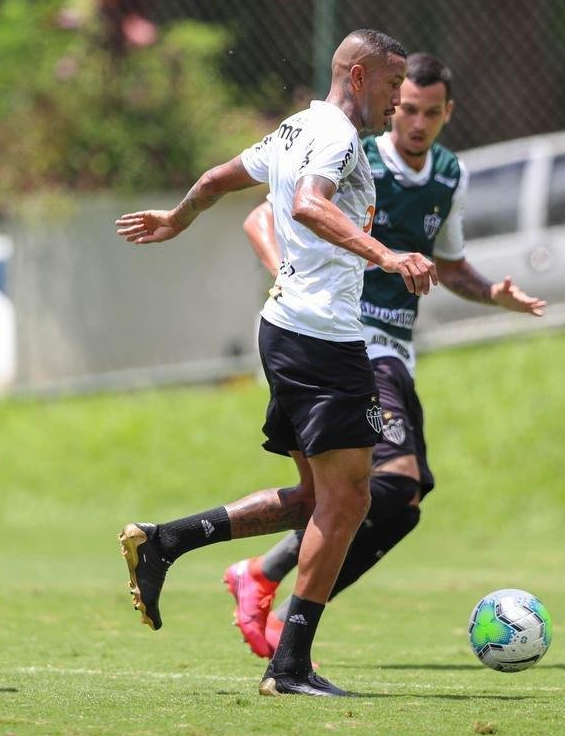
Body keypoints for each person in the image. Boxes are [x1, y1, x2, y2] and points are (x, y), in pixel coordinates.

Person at [113, 29, 437, 698]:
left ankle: (166, 542)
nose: (397, 97)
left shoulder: (295, 128)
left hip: (286, 330)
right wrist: (387, 256)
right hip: (323, 339)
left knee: (318, 499)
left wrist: (179, 217)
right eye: (390, 83)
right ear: (357, 77)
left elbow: (217, 179)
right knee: (350, 500)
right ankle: (289, 668)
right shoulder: (336, 137)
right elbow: (307, 204)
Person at [226, 52, 545, 660]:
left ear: (448, 113)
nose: (416, 123)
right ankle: (280, 607)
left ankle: (261, 577)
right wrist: (290, 278)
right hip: (349, 341)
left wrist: (492, 294)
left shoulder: (450, 174)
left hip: (396, 350)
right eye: (408, 109)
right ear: (393, 104)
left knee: (403, 503)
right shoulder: (355, 153)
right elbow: (260, 218)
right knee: (392, 485)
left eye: (431, 113)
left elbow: (449, 265)